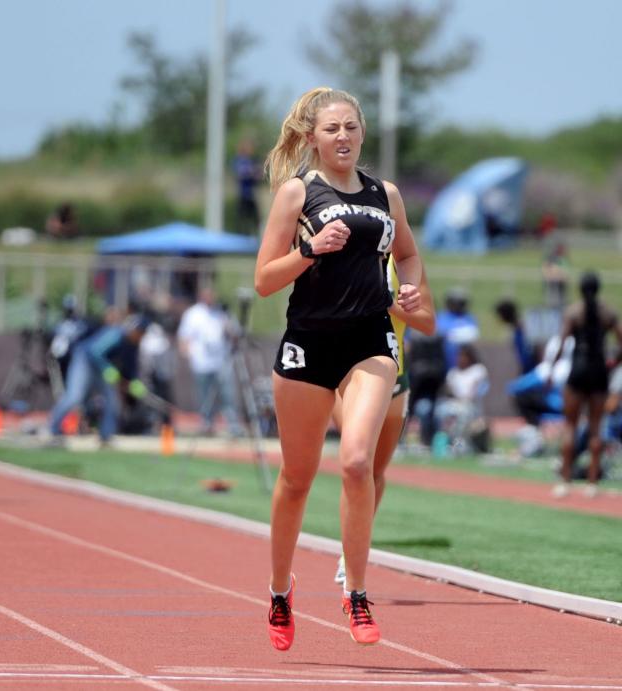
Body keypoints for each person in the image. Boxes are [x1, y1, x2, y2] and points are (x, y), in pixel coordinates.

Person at [254, 87, 423, 649]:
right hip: (308, 345)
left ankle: (356, 593)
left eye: (351, 127)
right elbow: (263, 281)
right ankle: (280, 591)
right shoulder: (298, 194)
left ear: (363, 131)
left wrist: (415, 291)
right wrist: (312, 249)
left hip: (369, 341)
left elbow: (409, 255)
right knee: (296, 479)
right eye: (332, 129)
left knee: (356, 464)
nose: (343, 137)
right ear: (312, 138)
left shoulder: (386, 194)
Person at [332, 258, 436, 584]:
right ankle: (350, 557)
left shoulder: (403, 264)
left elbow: (428, 322)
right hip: (345, 373)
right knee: (356, 464)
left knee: (375, 472)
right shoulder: (340, 251)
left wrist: (389, 302)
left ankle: (351, 547)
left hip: (394, 378)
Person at [549, 272, 622, 498]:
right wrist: (613, 363)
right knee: (595, 427)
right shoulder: (608, 312)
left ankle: (565, 481)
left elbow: (561, 343)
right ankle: (592, 484)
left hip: (578, 369)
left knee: (570, 425)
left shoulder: (573, 312)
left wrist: (551, 368)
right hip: (599, 370)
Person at [46, 313, 150, 446]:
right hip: (84, 362)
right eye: (141, 332)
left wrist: (135, 381)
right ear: (135, 329)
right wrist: (107, 368)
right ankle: (54, 429)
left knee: (112, 402)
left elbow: (130, 366)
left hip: (102, 370)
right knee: (74, 397)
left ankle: (106, 436)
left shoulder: (133, 345)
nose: (141, 336)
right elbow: (95, 351)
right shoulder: (117, 335)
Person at [177, 286, 244, 437]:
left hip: (221, 360)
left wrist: (228, 325)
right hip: (201, 361)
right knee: (204, 395)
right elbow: (184, 336)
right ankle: (206, 424)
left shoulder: (222, 313)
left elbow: (235, 334)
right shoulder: (193, 314)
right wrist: (188, 354)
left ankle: (233, 425)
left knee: (227, 394)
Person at [434, 343, 490, 452]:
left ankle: (460, 444)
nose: (461, 359)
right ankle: (446, 443)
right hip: (454, 403)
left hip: (470, 405)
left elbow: (477, 390)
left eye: (464, 356)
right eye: (459, 356)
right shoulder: (453, 373)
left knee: (463, 413)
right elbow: (448, 390)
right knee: (441, 410)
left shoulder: (478, 370)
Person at [234, 138, 263, 234]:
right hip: (244, 195)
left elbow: (257, 176)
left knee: (256, 219)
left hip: (250, 195)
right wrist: (253, 172)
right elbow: (242, 173)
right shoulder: (241, 161)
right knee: (242, 219)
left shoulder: (250, 161)